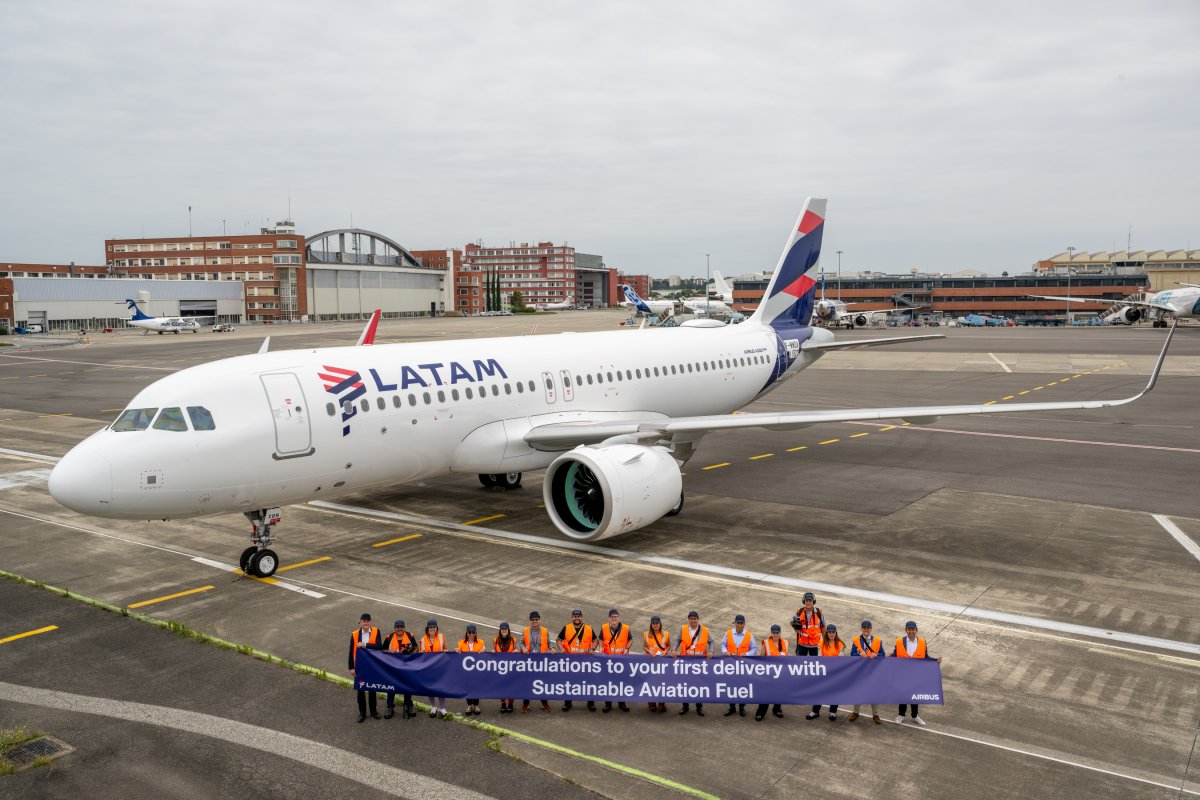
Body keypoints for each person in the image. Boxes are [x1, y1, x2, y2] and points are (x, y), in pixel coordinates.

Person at [892, 620, 942, 726]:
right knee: (903, 695)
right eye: (909, 629)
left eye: (913, 629)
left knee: (914, 695)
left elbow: (926, 657)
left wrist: (935, 660)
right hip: (903, 674)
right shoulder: (899, 641)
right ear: (906, 630)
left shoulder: (923, 642)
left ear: (916, 630)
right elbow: (895, 655)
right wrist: (886, 657)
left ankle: (915, 716)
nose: (911, 631)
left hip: (916, 675)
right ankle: (901, 715)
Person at [557, 609, 597, 711]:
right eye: (575, 616)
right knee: (569, 682)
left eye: (579, 616)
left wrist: (592, 649)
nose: (577, 618)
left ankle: (590, 702)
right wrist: (561, 649)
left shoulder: (588, 628)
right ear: (572, 618)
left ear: (581, 617)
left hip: (585, 661)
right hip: (571, 661)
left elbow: (595, 640)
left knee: (588, 682)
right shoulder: (566, 628)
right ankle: (567, 702)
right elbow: (558, 640)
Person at [674, 610, 712, 716]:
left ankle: (699, 707)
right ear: (688, 619)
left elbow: (711, 641)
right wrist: (673, 649)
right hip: (686, 662)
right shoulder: (683, 629)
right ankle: (685, 706)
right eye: (691, 619)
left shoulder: (705, 630)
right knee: (685, 685)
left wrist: (712, 651)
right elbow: (677, 640)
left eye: (695, 619)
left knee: (698, 685)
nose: (693, 620)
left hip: (699, 663)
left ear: (698, 619)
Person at [847, 620, 885, 724]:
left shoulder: (877, 640)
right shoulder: (856, 640)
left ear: (871, 629)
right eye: (864, 628)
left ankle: (875, 714)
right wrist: (859, 655)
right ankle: (855, 712)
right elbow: (852, 654)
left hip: (873, 671)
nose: (866, 630)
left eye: (868, 628)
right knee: (858, 691)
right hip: (860, 671)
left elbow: (883, 655)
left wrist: (877, 655)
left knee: (874, 692)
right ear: (861, 629)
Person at [348, 612, 383, 723]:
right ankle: (362, 713)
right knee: (361, 691)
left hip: (372, 666)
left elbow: (379, 646)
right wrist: (351, 667)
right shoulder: (354, 634)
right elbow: (351, 652)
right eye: (364, 621)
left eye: (367, 621)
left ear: (370, 622)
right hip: (360, 666)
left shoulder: (376, 631)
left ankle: (373, 711)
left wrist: (365, 644)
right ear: (361, 622)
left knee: (372, 690)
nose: (366, 623)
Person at [807, 623, 846, 721]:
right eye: (829, 632)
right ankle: (815, 711)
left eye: (833, 632)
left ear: (836, 633)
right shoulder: (821, 643)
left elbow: (841, 659)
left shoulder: (840, 645)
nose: (831, 634)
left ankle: (833, 712)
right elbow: (819, 658)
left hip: (835, 673)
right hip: (824, 673)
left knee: (834, 692)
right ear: (827, 633)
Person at [722, 614, 756, 717]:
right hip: (731, 666)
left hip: (743, 666)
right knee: (731, 687)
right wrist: (725, 651)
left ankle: (742, 707)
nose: (740, 625)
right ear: (735, 623)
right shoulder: (728, 633)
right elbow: (723, 644)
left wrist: (746, 654)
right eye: (738, 623)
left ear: (744, 624)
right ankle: (732, 707)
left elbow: (753, 649)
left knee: (742, 687)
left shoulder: (749, 635)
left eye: (741, 623)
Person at [599, 609, 632, 712]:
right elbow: (600, 638)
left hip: (621, 661)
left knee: (621, 683)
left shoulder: (626, 628)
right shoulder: (604, 627)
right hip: (608, 661)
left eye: (615, 616)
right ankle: (608, 704)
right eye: (612, 617)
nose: (614, 618)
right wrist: (601, 648)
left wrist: (627, 648)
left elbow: (630, 639)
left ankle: (621, 703)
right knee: (608, 683)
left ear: (619, 617)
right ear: (609, 618)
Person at [520, 611, 553, 713]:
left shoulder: (544, 630)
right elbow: (521, 642)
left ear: (539, 620)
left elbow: (549, 642)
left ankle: (544, 703)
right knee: (527, 683)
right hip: (529, 661)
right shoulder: (525, 631)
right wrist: (524, 648)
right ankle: (526, 704)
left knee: (542, 683)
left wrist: (551, 648)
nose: (534, 621)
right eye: (532, 619)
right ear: (530, 620)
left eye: (536, 619)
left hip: (541, 661)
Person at [383, 619, 416, 719]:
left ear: (404, 628)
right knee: (391, 686)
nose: (399, 629)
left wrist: (409, 652)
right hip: (392, 666)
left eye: (401, 627)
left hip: (406, 666)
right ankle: (390, 707)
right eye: (398, 627)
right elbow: (382, 650)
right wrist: (389, 650)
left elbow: (416, 648)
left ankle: (409, 705)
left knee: (407, 686)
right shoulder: (389, 637)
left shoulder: (410, 636)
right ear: (394, 628)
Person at [754, 624, 787, 721]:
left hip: (780, 673)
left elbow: (787, 657)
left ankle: (777, 709)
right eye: (774, 633)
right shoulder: (766, 643)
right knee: (766, 694)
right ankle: (760, 712)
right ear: (771, 633)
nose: (775, 634)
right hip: (769, 674)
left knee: (779, 692)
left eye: (777, 633)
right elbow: (761, 658)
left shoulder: (785, 643)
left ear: (780, 633)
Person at [642, 615, 671, 713]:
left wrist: (665, 652)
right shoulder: (646, 634)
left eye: (657, 623)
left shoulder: (666, 634)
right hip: (650, 662)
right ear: (651, 624)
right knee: (651, 683)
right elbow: (644, 647)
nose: (655, 625)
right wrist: (650, 652)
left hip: (662, 663)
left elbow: (669, 645)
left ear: (660, 624)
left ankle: (662, 703)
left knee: (662, 683)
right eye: (653, 623)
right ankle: (651, 703)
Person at [420, 619, 448, 718]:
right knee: (430, 687)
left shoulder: (441, 637)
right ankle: (433, 707)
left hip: (439, 667)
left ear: (437, 628)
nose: (432, 629)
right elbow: (421, 654)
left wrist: (445, 651)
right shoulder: (423, 640)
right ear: (427, 628)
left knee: (441, 687)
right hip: (429, 668)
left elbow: (446, 649)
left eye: (434, 627)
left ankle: (442, 707)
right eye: (430, 627)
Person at [457, 624, 485, 715]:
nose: (472, 634)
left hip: (477, 670)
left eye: (473, 632)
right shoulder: (461, 643)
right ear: (467, 633)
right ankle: (469, 705)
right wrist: (458, 652)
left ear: (476, 633)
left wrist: (483, 651)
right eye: (470, 632)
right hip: (466, 671)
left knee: (476, 687)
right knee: (467, 687)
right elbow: (458, 654)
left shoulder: (481, 642)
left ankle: (476, 705)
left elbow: (484, 653)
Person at [494, 622, 518, 714]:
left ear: (508, 630)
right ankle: (503, 703)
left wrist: (516, 651)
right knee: (502, 685)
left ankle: (511, 703)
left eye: (505, 629)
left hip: (510, 667)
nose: (504, 631)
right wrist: (493, 651)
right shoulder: (495, 640)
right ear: (500, 630)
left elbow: (515, 651)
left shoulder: (513, 640)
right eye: (502, 629)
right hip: (500, 667)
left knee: (511, 685)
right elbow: (495, 651)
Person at [790, 592, 825, 656]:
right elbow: (797, 631)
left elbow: (823, 627)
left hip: (814, 645)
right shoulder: (799, 612)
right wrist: (795, 626)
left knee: (814, 664)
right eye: (807, 601)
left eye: (810, 601)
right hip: (802, 644)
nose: (808, 603)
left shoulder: (819, 613)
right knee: (801, 664)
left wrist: (825, 641)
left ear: (813, 601)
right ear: (804, 601)